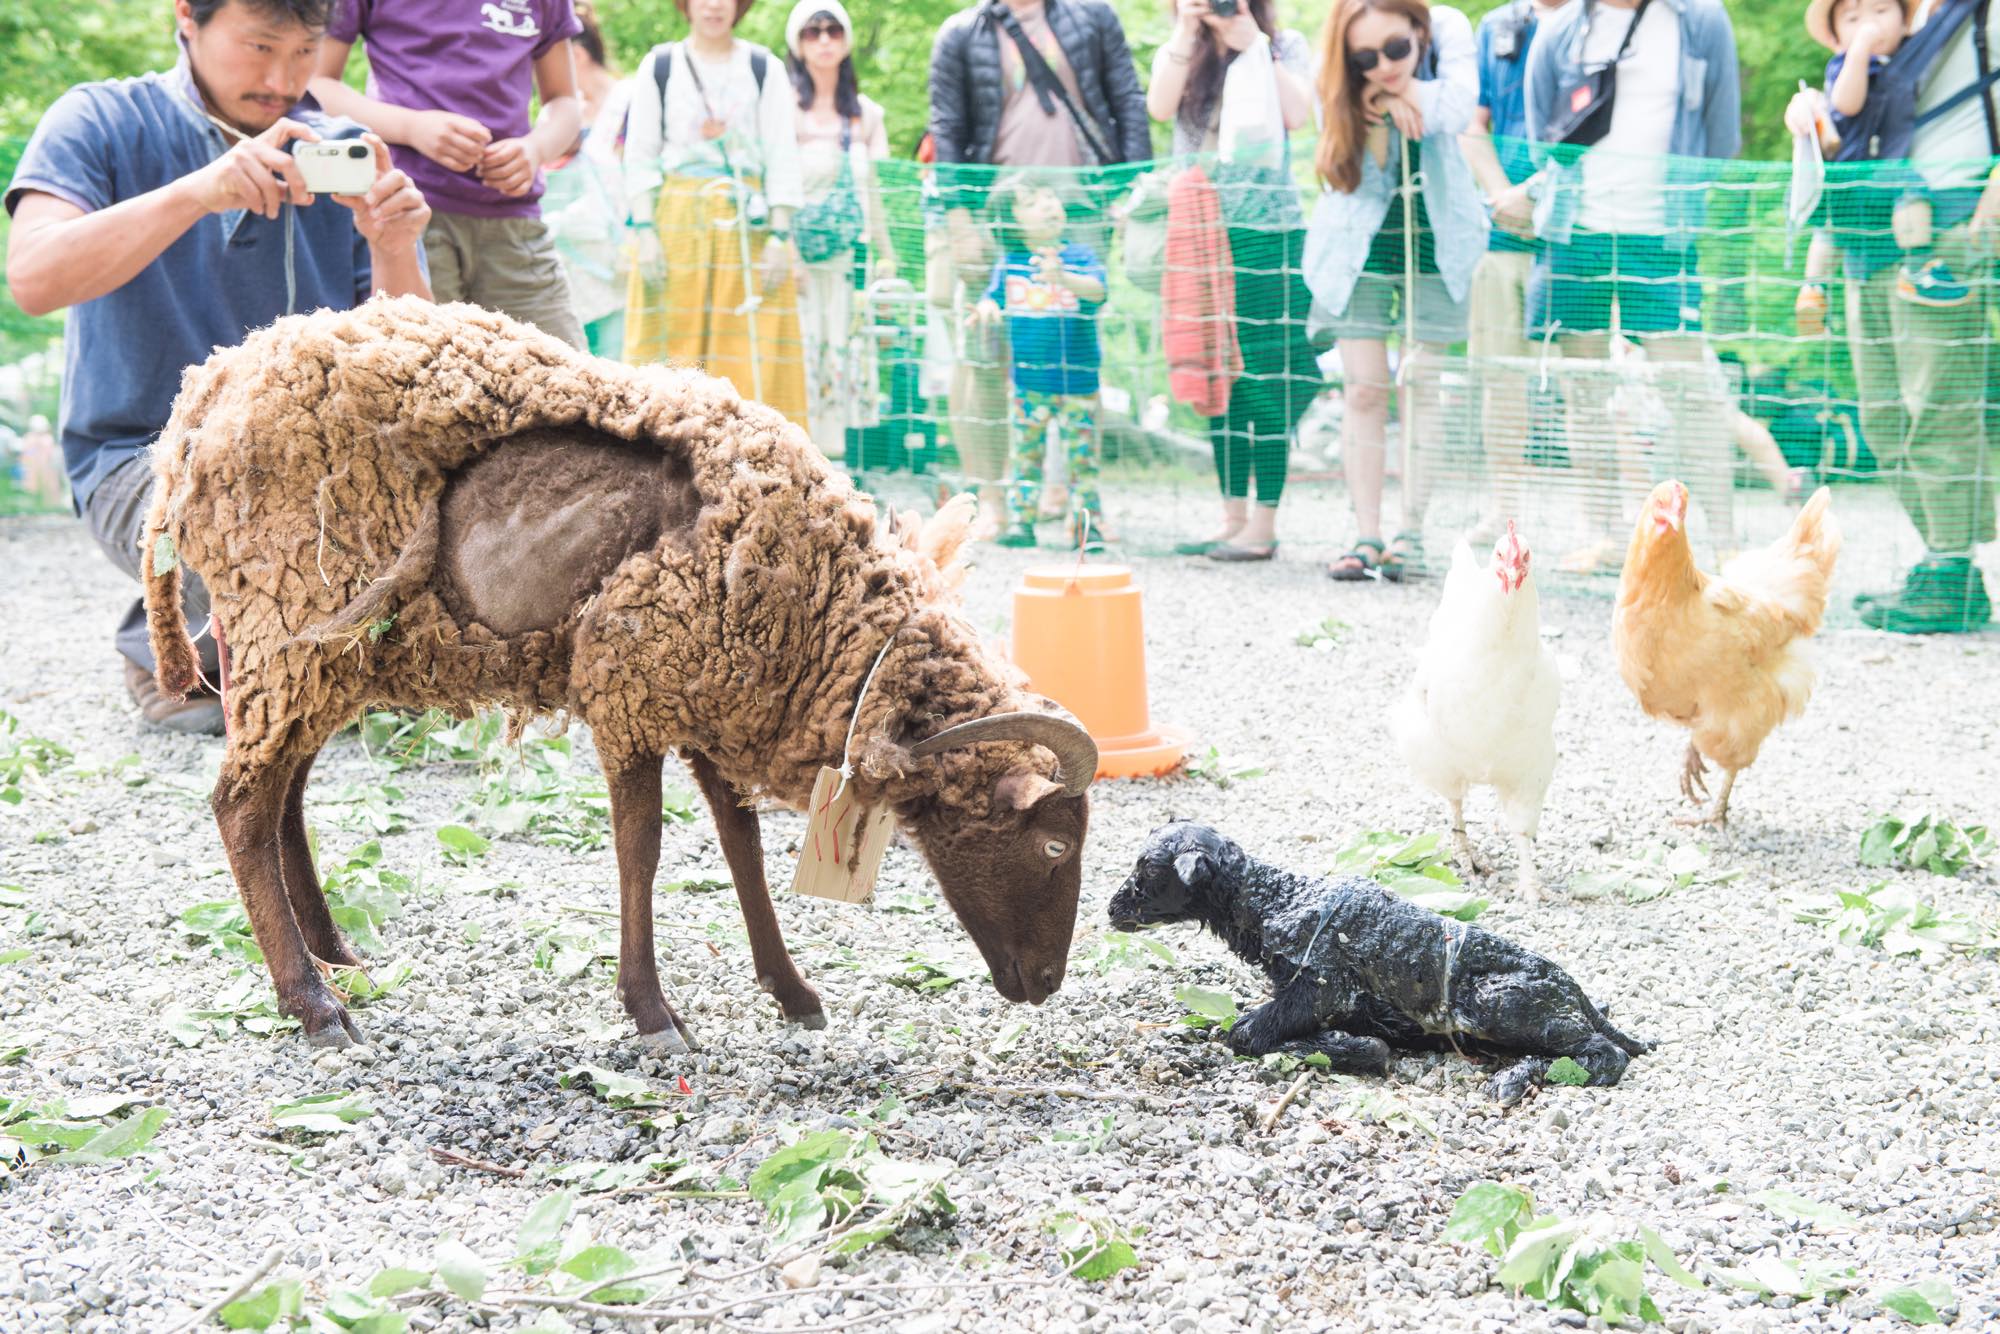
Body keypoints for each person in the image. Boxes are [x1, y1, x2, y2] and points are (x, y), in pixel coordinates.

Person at [3, 0, 430, 735]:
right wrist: (197, 193)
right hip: (142, 459)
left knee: (454, 533)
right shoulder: (100, 118)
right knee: (283, 552)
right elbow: (34, 278)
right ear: (187, 17)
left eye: (304, 51)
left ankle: (224, 632)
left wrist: (393, 247)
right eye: (259, 46)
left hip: (319, 464)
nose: (283, 79)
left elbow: (415, 369)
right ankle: (177, 642)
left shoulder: (345, 150)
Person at [1786, 0, 1997, 632]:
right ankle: (1945, 560)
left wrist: (1991, 206)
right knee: (1882, 416)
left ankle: (1952, 570)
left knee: (1940, 408)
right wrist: (1808, 112)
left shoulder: (1977, 15)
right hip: (1864, 239)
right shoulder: (1880, 24)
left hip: (1944, 232)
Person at [1522, 0, 1740, 573]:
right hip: (1575, 229)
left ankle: (1725, 542)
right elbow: (1542, 133)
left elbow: (1722, 137)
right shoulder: (1561, 29)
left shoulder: (1702, 21)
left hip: (1662, 233)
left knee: (1690, 389)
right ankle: (1602, 533)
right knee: (1584, 391)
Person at [929, 0, 1151, 537]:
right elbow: (947, 127)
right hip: (996, 210)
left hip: (1082, 205)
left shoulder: (1091, 16)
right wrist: (959, 216)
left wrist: (1129, 190)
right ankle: (990, 499)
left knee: (1075, 353)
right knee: (983, 354)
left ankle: (1079, 503)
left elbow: (1127, 100)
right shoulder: (961, 33)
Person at [1305, 0, 1485, 581]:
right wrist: (1376, 100)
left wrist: (1396, 96)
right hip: (1355, 243)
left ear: (1417, 29)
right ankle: (1366, 535)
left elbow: (1458, 107)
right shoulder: (1334, 63)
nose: (1383, 65)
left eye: (1396, 49)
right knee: (1363, 390)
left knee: (1421, 386)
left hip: (1440, 237)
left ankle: (1412, 532)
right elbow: (1326, 116)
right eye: (1365, 59)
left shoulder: (1450, 25)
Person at [1147, 0, 1321, 562]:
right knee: (1214, 373)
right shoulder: (1183, 48)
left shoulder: (1283, 45)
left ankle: (1264, 522)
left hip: (1269, 234)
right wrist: (1187, 27)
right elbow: (1159, 106)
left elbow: (1298, 114)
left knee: (1267, 375)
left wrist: (1255, 44)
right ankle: (1233, 517)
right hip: (1199, 234)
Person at [311, 0, 585, 348]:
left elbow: (564, 100)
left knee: (562, 369)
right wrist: (412, 127)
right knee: (416, 366)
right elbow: (317, 84)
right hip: (408, 218)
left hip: (514, 224)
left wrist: (536, 149)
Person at [623, 0, 809, 426]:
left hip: (749, 225)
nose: (714, 5)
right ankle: (660, 448)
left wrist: (780, 235)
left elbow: (782, 153)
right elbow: (640, 154)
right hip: (676, 221)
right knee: (670, 352)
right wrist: (645, 230)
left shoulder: (764, 67)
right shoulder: (660, 65)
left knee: (752, 349)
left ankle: (755, 452)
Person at [1460, 0, 1570, 545]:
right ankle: (1505, 511)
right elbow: (1472, 125)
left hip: (1578, 237)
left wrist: (1537, 194)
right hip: (1502, 234)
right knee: (1499, 378)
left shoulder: (1604, 23)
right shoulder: (1497, 26)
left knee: (1589, 385)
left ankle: (1604, 524)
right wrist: (1503, 194)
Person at [972, 173, 1109, 548]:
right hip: (1028, 382)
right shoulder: (1010, 264)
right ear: (1012, 223)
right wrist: (985, 310)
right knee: (1025, 456)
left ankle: (1085, 527)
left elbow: (1098, 292)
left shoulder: (1081, 256)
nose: (1048, 204)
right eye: (1032, 202)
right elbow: (991, 297)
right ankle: (1022, 522)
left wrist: (1063, 277)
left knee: (1082, 458)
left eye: (1050, 196)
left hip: (1079, 381)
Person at [785, 0, 897, 455]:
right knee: (800, 354)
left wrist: (888, 255)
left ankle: (834, 463)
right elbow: (773, 189)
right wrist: (787, 253)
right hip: (797, 263)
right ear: (798, 43)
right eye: (813, 32)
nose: (824, 40)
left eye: (833, 30)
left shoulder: (867, 115)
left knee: (845, 352)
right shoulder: (784, 110)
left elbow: (877, 193)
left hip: (849, 260)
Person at [541, 2, 633, 358]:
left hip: (621, 257)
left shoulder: (628, 101)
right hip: (572, 265)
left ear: (575, 57)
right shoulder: (561, 114)